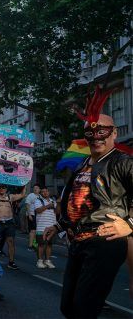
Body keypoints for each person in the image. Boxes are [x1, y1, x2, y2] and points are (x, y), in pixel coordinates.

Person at [44, 99, 132, 318]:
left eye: (102, 131)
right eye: (90, 132)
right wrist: (59, 224)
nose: (96, 137)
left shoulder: (123, 162)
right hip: (79, 240)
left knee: (84, 309)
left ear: (114, 134)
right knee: (68, 307)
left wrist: (129, 224)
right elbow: (78, 201)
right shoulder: (83, 164)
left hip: (104, 241)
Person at [0, 184, 25, 270]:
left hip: (9, 222)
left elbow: (22, 195)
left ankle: (11, 262)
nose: (1, 189)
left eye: (3, 187)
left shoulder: (10, 197)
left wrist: (25, 183)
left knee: (11, 242)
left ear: (6, 189)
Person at [33, 186, 56, 269]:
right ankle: (39, 261)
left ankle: (47, 260)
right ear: (40, 193)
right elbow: (38, 210)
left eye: (46, 191)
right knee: (41, 245)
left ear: (49, 192)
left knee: (49, 244)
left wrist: (58, 204)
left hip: (52, 226)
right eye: (42, 192)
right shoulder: (38, 201)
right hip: (41, 227)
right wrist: (48, 206)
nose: (45, 193)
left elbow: (57, 212)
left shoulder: (53, 201)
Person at [24, 184, 40, 251]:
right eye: (34, 188)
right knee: (32, 230)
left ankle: (34, 244)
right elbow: (27, 205)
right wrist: (29, 214)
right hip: (32, 214)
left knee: (36, 231)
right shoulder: (31, 195)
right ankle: (30, 245)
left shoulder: (40, 196)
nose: (35, 189)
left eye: (36, 188)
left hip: (39, 216)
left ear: (39, 189)